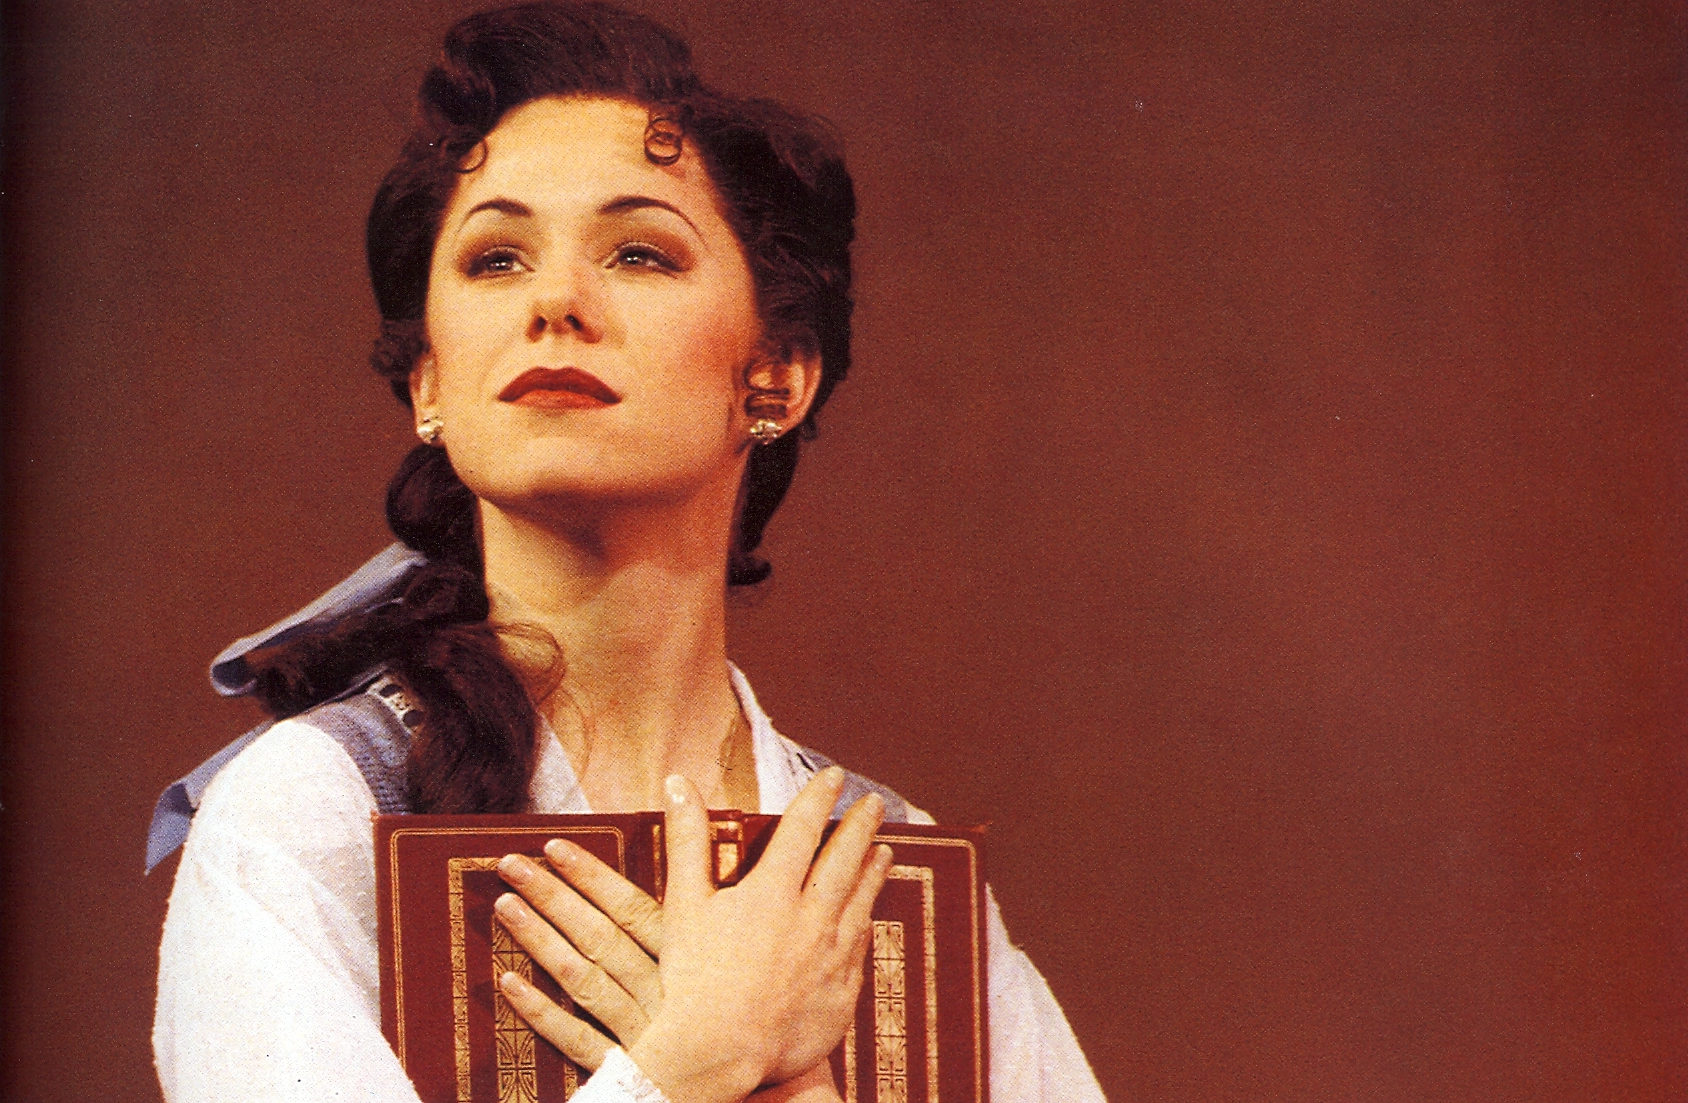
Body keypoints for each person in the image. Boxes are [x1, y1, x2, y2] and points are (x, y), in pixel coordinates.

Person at [150, 4, 1105, 1101]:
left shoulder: (888, 866)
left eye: (639, 253)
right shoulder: (313, 810)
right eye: (496, 259)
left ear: (776, 377)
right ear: (430, 385)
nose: (555, 302)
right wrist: (694, 1062)